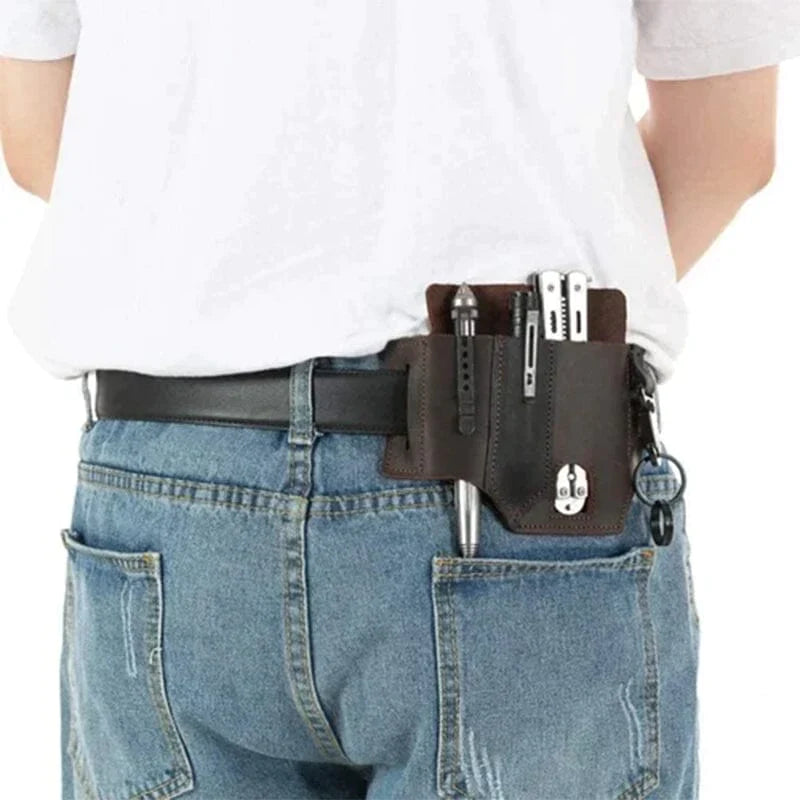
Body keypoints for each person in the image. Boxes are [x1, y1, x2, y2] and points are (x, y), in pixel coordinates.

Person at [1, 3, 798, 798]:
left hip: (166, 488)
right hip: (514, 481)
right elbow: (723, 139)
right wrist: (545, 372)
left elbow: (44, 145)